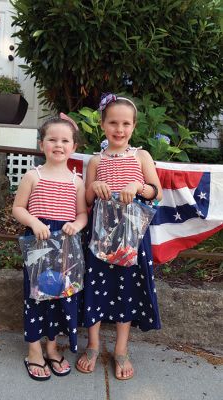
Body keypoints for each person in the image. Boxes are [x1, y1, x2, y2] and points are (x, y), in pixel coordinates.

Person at [76, 93, 163, 380]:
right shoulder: (95, 160)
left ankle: (121, 349)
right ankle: (93, 344)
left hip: (131, 237)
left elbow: (156, 192)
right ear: (102, 125)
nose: (119, 129)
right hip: (100, 234)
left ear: (134, 127)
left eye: (126, 123)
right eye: (113, 122)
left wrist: (138, 186)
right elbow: (87, 197)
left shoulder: (141, 156)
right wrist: (96, 185)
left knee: (126, 288)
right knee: (95, 286)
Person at [13, 115, 87, 381]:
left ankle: (52, 348)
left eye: (65, 140)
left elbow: (82, 214)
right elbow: (18, 208)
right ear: (42, 144)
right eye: (52, 139)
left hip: (65, 247)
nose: (58, 145)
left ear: (74, 147)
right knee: (35, 296)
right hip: (39, 246)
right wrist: (34, 222)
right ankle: (34, 350)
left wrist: (76, 226)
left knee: (60, 296)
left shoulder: (76, 181)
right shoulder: (34, 175)